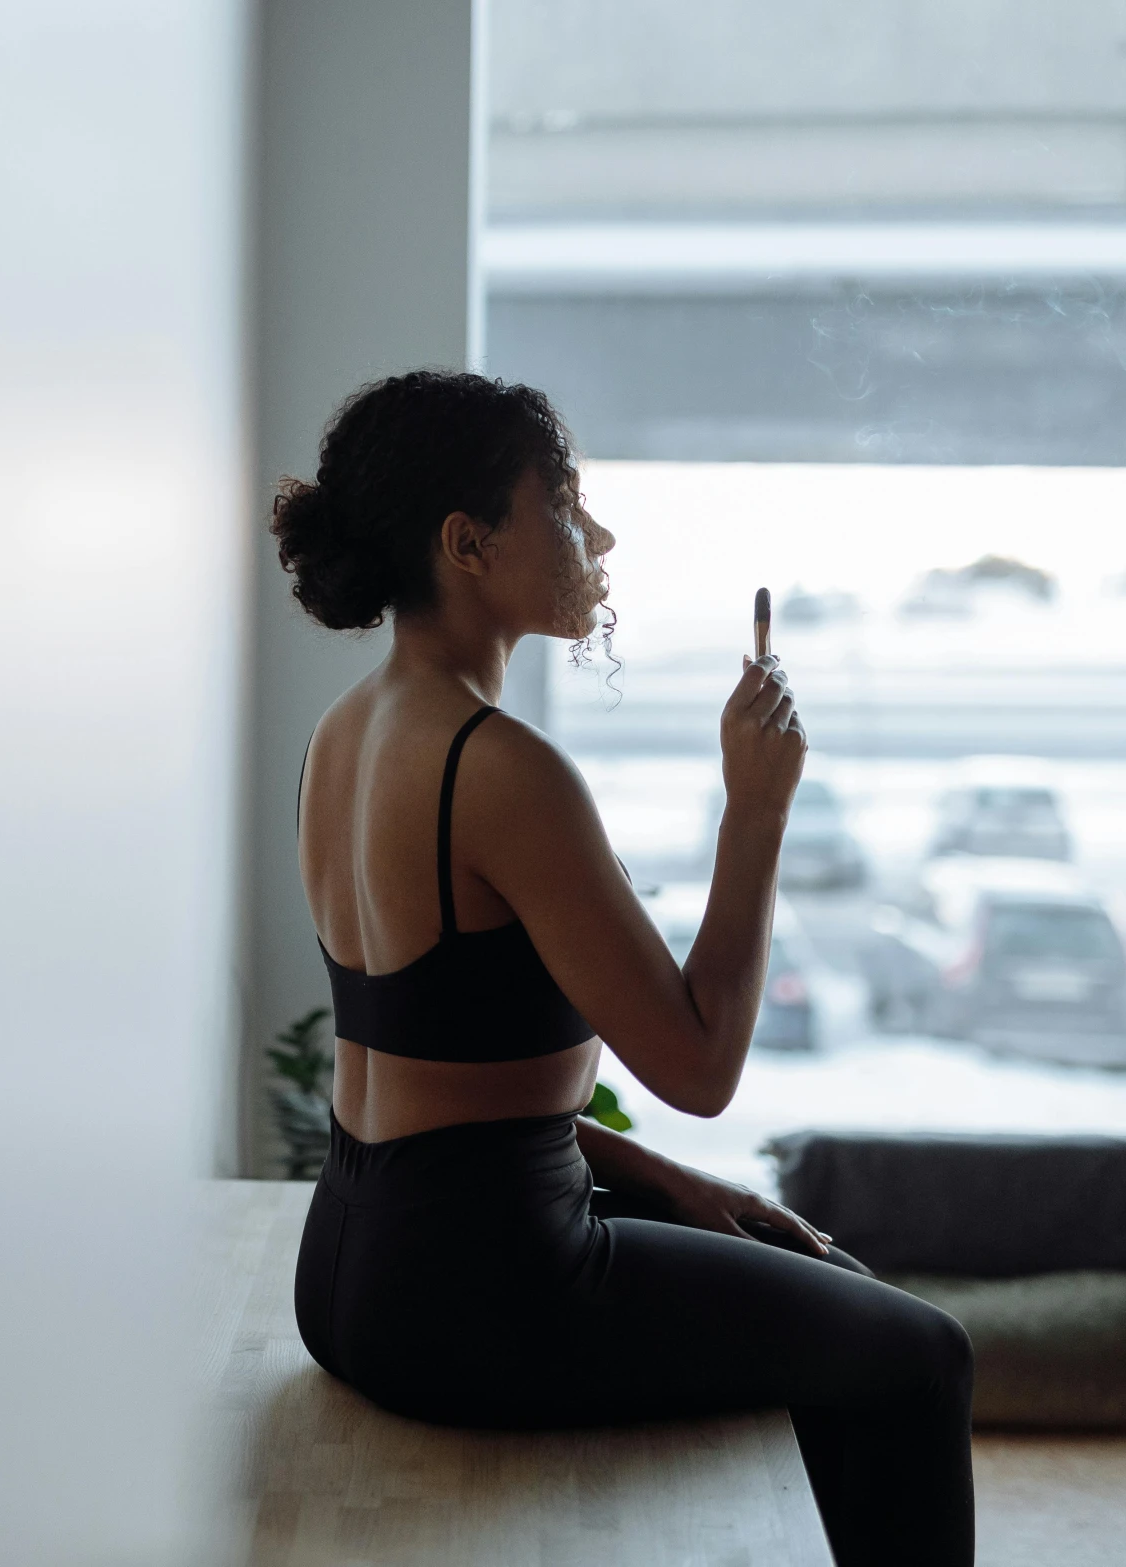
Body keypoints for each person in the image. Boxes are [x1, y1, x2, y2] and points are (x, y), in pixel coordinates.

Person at [277, 371, 973, 1567]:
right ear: (467, 543)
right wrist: (752, 815)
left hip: (348, 1268)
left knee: (804, 1263)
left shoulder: (346, 732)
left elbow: (438, 1077)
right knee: (921, 1356)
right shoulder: (500, 768)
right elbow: (701, 1065)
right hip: (486, 1296)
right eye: (563, 504)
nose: (596, 537)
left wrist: (669, 1184)